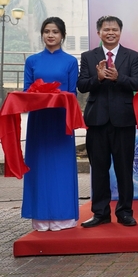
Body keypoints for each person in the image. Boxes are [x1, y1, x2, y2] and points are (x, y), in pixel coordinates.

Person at [77, 15, 138, 228]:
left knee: (124, 169)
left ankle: (125, 212)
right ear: (99, 33)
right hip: (97, 120)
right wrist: (97, 78)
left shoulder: (132, 56)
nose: (110, 32)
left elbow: (137, 84)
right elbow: (82, 85)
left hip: (123, 121)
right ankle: (100, 213)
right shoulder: (89, 56)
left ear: (120, 32)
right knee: (99, 168)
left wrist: (118, 78)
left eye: (114, 29)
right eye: (106, 29)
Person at [21, 17, 80, 231]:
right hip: (39, 120)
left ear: (62, 35)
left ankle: (62, 217)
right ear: (42, 34)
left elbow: (72, 93)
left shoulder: (71, 62)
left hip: (61, 120)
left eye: (55, 31)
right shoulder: (32, 61)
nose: (51, 35)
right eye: (47, 31)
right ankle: (40, 216)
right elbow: (27, 91)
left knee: (61, 167)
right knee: (39, 166)